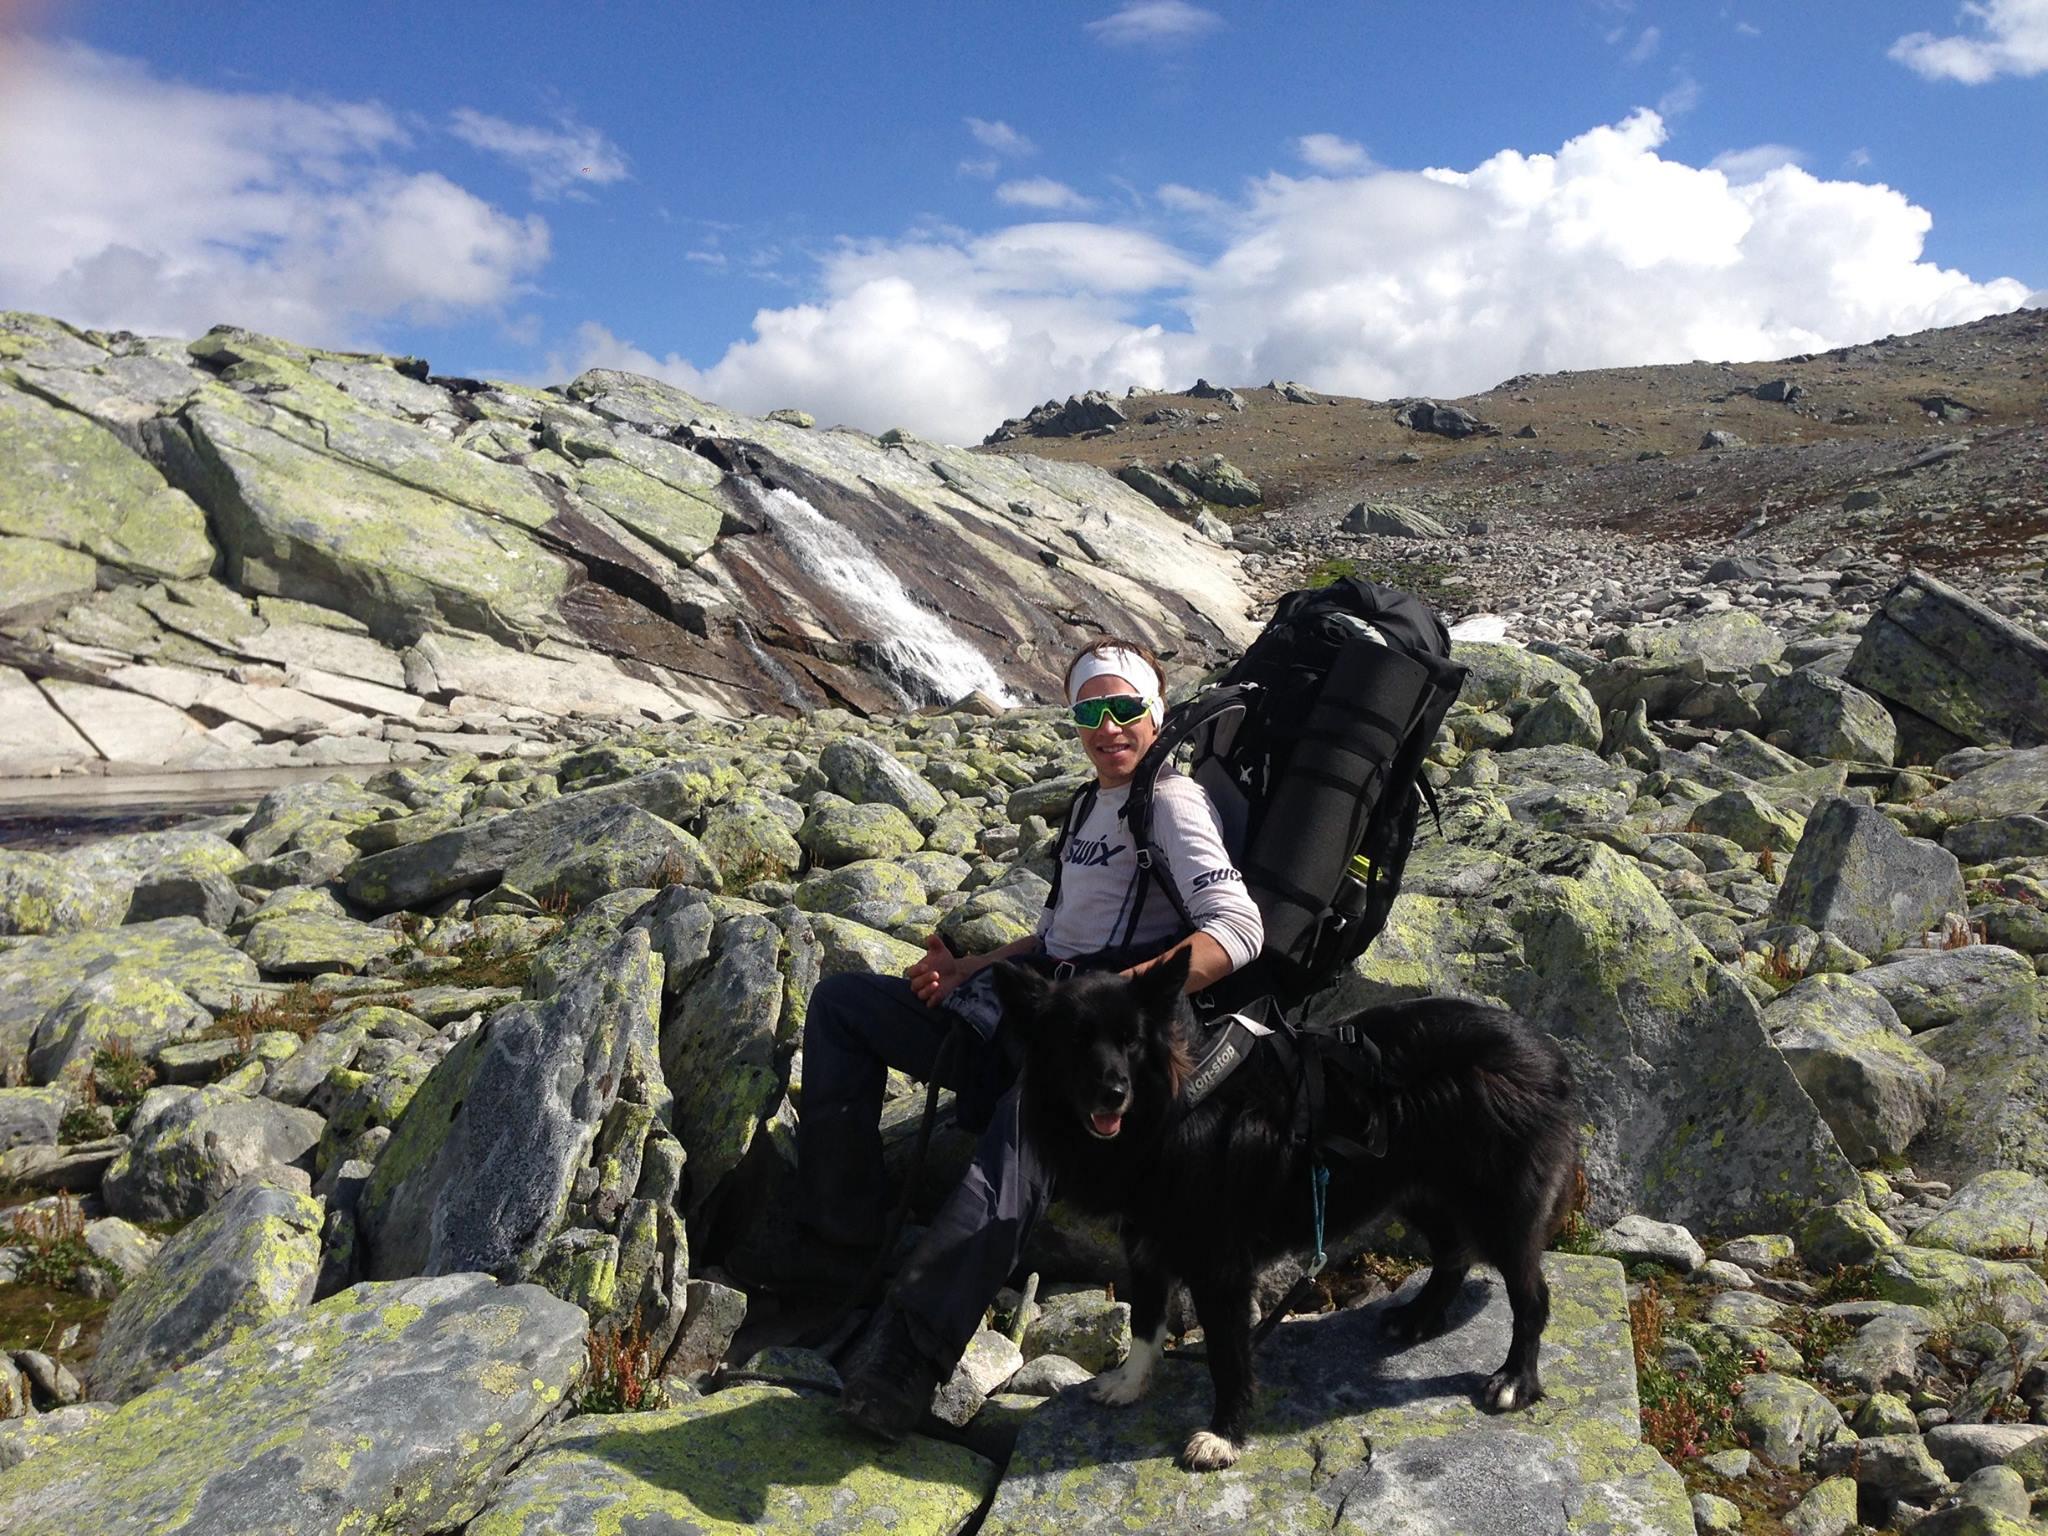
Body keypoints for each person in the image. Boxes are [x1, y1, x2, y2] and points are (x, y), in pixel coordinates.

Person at [774, 636, 1264, 1441]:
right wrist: (972, 968)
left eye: (1125, 709)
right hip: (1046, 1010)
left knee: (1025, 1131)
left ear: (1157, 712)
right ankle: (842, 1240)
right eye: (1089, 711)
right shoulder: (1087, 805)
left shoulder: (1169, 802)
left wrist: (1130, 994)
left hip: (1100, 1044)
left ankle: (908, 1357)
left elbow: (1239, 927)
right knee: (842, 1006)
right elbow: (1053, 936)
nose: (1108, 728)